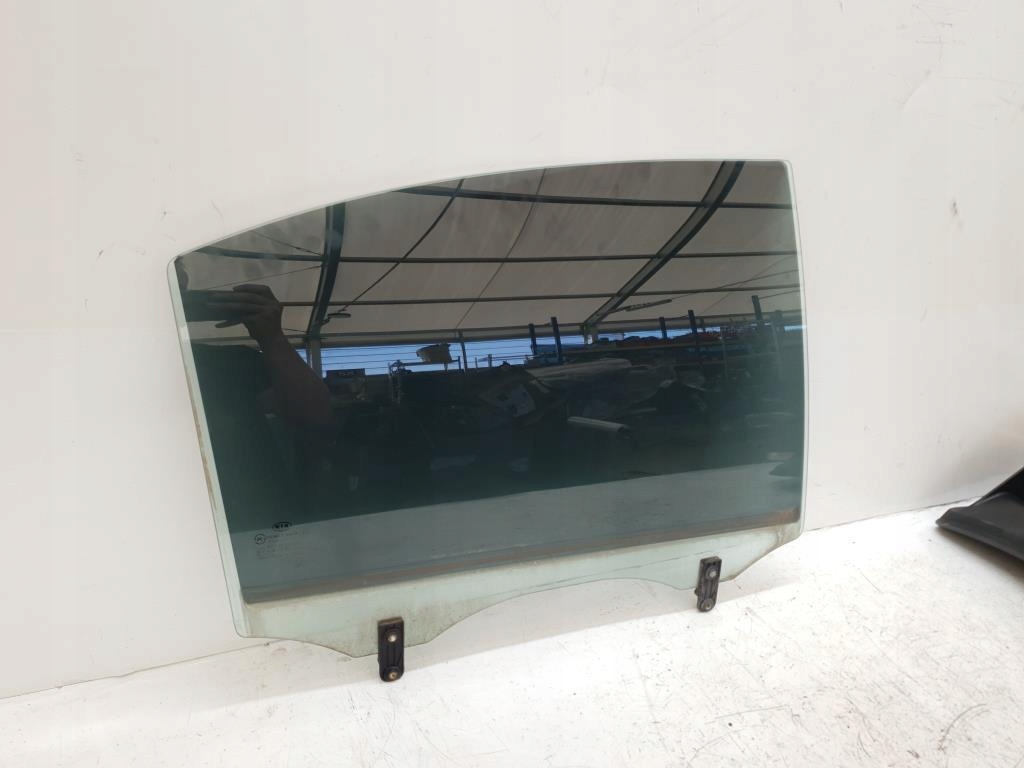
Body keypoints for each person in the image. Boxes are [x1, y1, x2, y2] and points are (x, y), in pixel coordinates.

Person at [178, 263, 331, 531]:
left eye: (180, 265)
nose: (180, 273)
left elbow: (316, 416)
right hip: (249, 522)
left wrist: (271, 337)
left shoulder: (227, 362)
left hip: (255, 523)